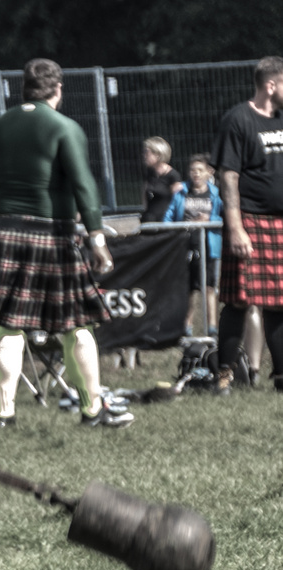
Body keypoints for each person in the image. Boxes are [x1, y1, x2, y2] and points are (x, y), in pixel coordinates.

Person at [0, 58, 133, 430]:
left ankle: (4, 415)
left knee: (7, 326)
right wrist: (97, 237)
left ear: (24, 88)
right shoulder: (64, 127)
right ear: (58, 89)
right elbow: (84, 185)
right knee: (76, 326)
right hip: (52, 235)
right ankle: (91, 410)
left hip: (6, 232)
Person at [213, 55, 283, 388]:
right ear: (271, 85)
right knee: (239, 301)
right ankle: (224, 374)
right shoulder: (238, 120)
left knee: (280, 304)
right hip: (249, 220)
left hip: (279, 222)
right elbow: (227, 176)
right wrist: (236, 226)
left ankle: (282, 376)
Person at [165, 153, 222, 338]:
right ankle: (186, 327)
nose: (196, 174)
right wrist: (171, 231)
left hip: (208, 246)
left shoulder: (215, 193)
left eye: (200, 170)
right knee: (188, 289)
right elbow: (169, 216)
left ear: (208, 172)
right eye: (192, 170)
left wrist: (210, 218)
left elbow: (223, 216)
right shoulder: (181, 192)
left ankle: (212, 327)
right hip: (185, 246)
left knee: (209, 288)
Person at [141, 137, 183, 224]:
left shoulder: (173, 176)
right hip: (149, 218)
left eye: (146, 152)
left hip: (165, 221)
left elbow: (178, 202)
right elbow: (145, 194)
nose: (144, 155)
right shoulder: (149, 173)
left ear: (158, 155)